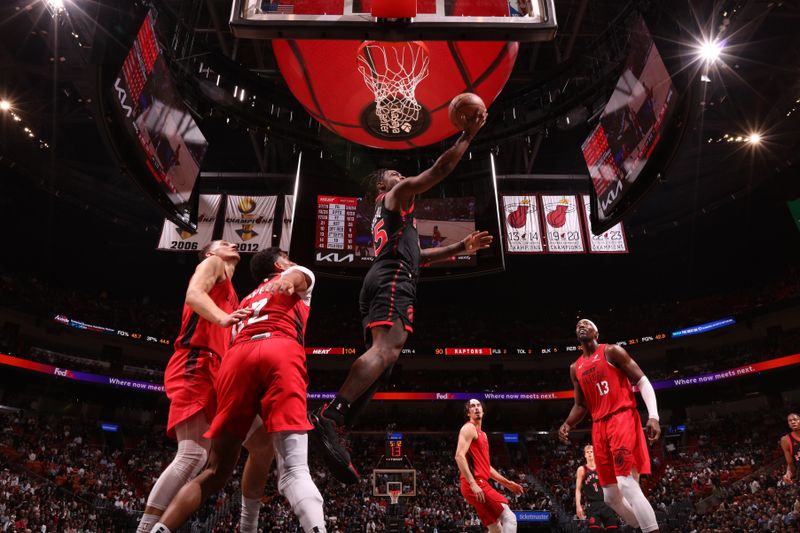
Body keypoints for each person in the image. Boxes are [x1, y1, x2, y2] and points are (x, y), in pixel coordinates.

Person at [310, 112, 492, 484]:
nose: (400, 175)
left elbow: (420, 256)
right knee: (387, 352)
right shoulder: (394, 195)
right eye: (393, 172)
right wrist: (466, 137)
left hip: (384, 274)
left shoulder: (393, 217)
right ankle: (330, 414)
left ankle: (339, 422)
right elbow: (437, 172)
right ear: (383, 183)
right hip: (393, 277)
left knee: (383, 363)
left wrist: (460, 246)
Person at [151, 248, 326, 533]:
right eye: (288, 260)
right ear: (280, 264)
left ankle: (161, 529)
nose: (293, 263)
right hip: (279, 349)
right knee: (294, 471)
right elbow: (296, 277)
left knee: (216, 470)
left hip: (235, 361)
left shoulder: (245, 300)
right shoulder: (298, 272)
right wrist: (290, 279)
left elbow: (230, 334)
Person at [138, 240, 273, 533]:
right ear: (211, 253)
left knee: (263, 443)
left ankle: (249, 524)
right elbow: (193, 294)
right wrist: (224, 318)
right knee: (192, 454)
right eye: (224, 242)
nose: (233, 243)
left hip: (220, 373)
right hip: (196, 360)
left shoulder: (233, 294)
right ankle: (146, 528)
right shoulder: (211, 265)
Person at [559, 319, 661, 533]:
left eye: (586, 323)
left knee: (625, 483)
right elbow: (580, 405)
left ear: (597, 332)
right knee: (610, 496)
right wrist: (568, 423)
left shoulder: (612, 351)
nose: (581, 325)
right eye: (577, 325)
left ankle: (651, 529)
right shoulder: (575, 368)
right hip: (598, 425)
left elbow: (642, 381)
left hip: (621, 417)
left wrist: (653, 416)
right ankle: (641, 525)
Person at [455, 399, 523, 532]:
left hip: (476, 482)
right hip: (475, 483)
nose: (476, 408)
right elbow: (459, 456)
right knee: (510, 518)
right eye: (472, 406)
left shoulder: (484, 435)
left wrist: (507, 483)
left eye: (478, 405)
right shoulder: (469, 428)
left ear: (483, 411)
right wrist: (473, 483)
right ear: (468, 413)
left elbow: (487, 467)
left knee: (495, 528)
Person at [576, 444, 620, 531]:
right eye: (587, 452)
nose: (589, 453)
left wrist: (617, 502)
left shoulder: (602, 467)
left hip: (606, 503)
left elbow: (612, 485)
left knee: (613, 529)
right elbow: (578, 489)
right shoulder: (582, 469)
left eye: (591, 452)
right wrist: (578, 506)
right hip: (592, 505)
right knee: (594, 530)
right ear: (585, 455)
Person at [781, 412, 800, 484]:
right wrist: (788, 474)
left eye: (795, 419)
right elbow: (790, 462)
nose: (793, 422)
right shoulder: (785, 440)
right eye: (790, 421)